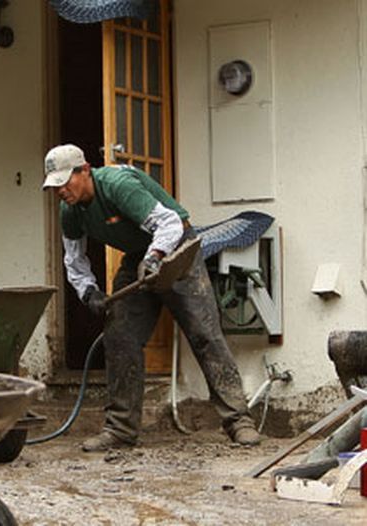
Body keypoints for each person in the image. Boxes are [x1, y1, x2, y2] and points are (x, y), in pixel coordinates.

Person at [43, 144, 261, 451]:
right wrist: (88, 291)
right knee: (119, 335)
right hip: (138, 257)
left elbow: (170, 223)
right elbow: (74, 260)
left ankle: (239, 421)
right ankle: (120, 428)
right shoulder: (70, 211)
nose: (61, 191)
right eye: (55, 186)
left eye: (66, 182)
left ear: (85, 170)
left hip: (177, 247)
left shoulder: (119, 186)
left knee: (204, 333)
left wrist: (156, 256)